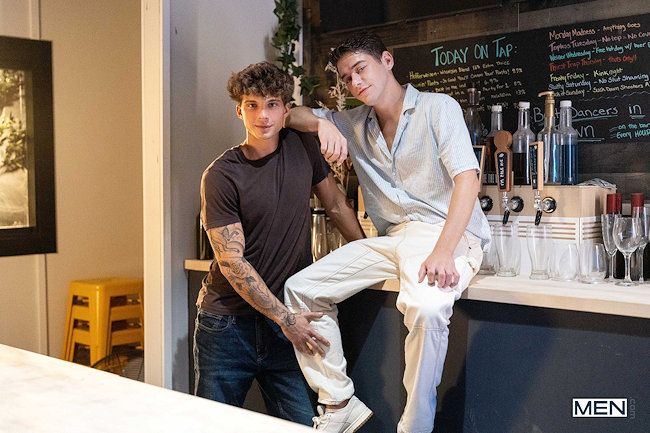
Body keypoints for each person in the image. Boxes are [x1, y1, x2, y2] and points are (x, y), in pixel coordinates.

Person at [283, 32, 491, 433]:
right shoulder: (352, 123)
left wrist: (444, 251)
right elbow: (291, 114)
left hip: (444, 233)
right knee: (300, 290)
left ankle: (416, 425)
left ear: (387, 60)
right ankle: (338, 402)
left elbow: (468, 179)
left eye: (361, 69)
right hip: (393, 238)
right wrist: (322, 125)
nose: (355, 82)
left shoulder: (437, 107)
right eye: (347, 78)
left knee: (427, 308)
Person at [194, 61, 365, 426]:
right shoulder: (221, 175)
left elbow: (336, 205)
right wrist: (286, 319)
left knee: (300, 424)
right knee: (212, 426)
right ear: (239, 110)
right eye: (252, 105)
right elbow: (232, 262)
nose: (262, 115)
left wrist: (369, 255)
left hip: (287, 323)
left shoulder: (302, 146)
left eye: (272, 104)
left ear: (287, 109)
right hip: (228, 326)